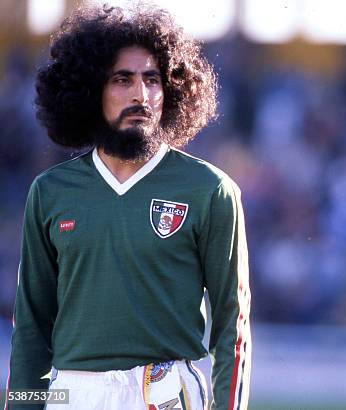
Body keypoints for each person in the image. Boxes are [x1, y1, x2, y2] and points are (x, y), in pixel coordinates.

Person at [6, 4, 250, 410]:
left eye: (152, 79)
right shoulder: (50, 192)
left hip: (170, 391)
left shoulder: (211, 189)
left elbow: (233, 328)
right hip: (73, 393)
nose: (141, 94)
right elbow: (31, 328)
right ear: (89, 89)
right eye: (122, 79)